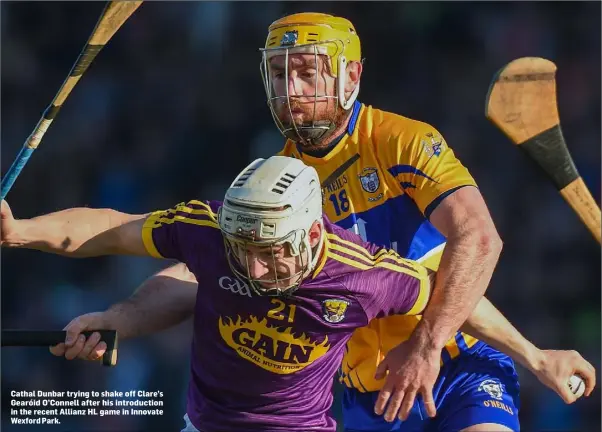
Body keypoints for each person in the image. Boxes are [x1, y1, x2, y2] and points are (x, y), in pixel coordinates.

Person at [40, 11, 595, 432]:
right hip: (355, 392)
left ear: (351, 74)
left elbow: (475, 241)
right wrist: (121, 316)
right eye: (279, 73)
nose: (291, 90)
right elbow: (203, 272)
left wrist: (495, 352)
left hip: (451, 364)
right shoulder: (275, 182)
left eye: (307, 72)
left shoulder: (402, 141)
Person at [1, 155, 439, 432]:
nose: (253, 269)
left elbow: (450, 293)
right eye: (241, 250)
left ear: (309, 234)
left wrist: (430, 343)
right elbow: (110, 228)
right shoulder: (207, 232)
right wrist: (20, 232)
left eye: (269, 253)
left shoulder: (363, 272)